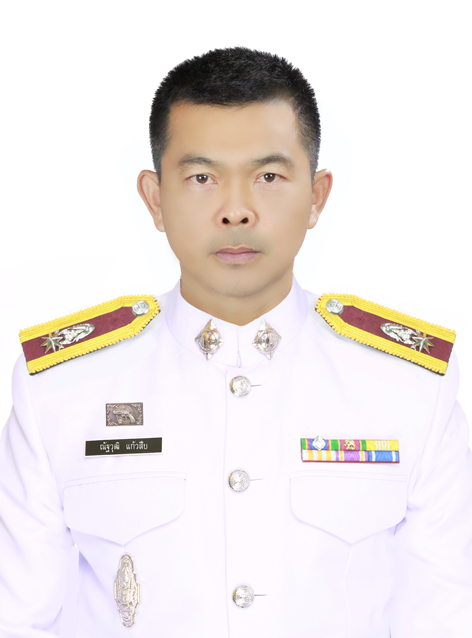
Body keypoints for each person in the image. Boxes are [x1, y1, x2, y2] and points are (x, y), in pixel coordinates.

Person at [0, 46, 471, 638]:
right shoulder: (63, 390)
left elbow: (445, 619)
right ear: (155, 198)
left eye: (268, 177)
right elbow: (18, 620)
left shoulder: (407, 387)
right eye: (202, 178)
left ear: (317, 196)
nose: (236, 211)